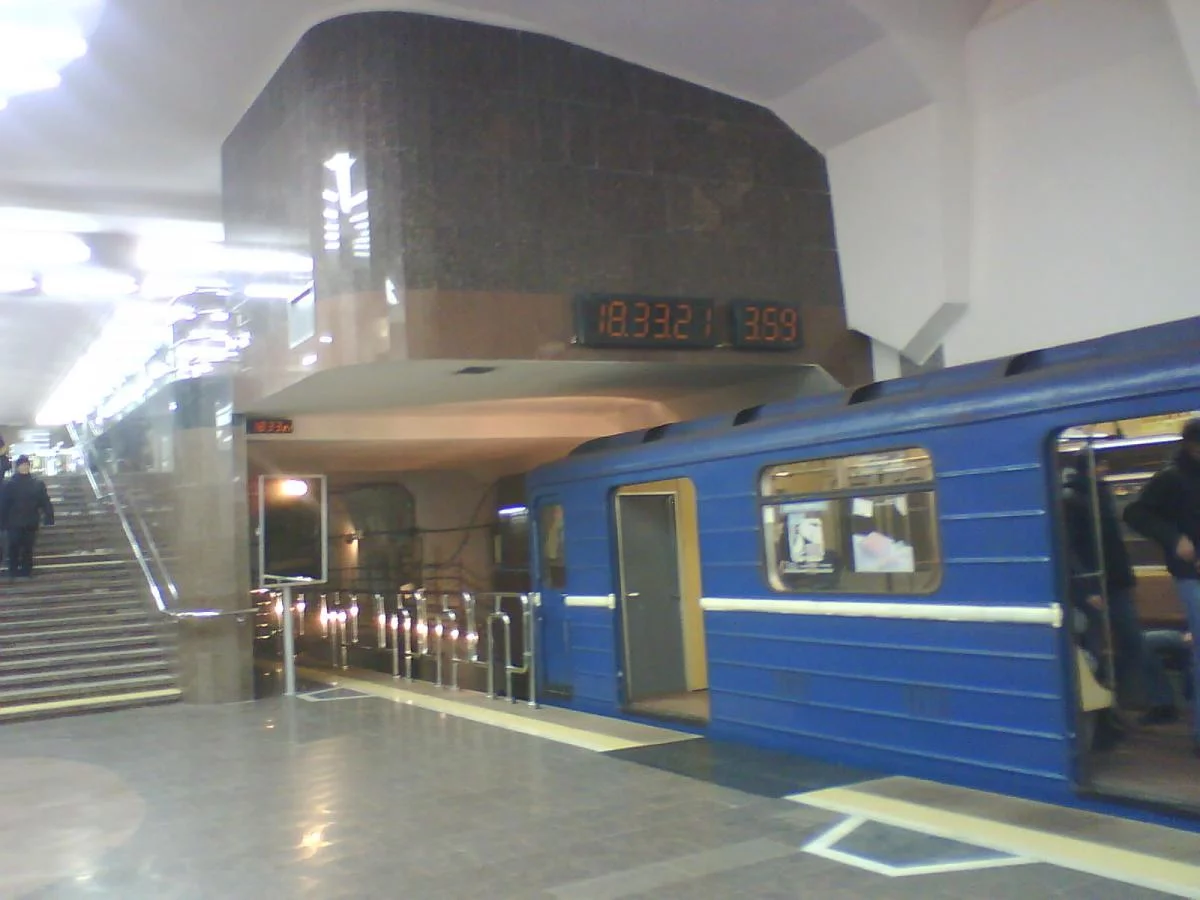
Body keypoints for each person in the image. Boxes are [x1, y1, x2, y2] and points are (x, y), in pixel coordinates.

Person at [1063, 449, 1174, 726]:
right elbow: (1071, 549)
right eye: (1101, 465)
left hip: (1113, 581)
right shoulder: (1073, 499)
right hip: (1094, 584)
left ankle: (1156, 701)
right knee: (1097, 648)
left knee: (1128, 643)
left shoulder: (1099, 495)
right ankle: (1102, 713)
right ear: (1090, 468)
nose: (1105, 470)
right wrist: (1088, 585)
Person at [1123, 418, 1200, 750]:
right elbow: (1135, 513)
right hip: (1193, 575)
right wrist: (1174, 538)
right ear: (1192, 447)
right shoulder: (1172, 478)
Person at [0, 455, 55, 579]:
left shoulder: (37, 483)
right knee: (13, 546)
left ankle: (26, 570)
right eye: (22, 465)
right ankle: (13, 570)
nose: (24, 467)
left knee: (28, 547)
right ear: (17, 467)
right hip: (14, 521)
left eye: (26, 465)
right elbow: (4, 504)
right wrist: (2, 521)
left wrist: (49, 515)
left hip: (30, 521)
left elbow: (44, 500)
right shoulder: (9, 484)